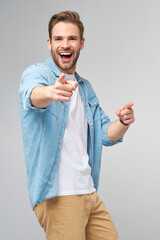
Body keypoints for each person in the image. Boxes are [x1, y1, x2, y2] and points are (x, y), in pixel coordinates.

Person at [19, 10, 135, 240]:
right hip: (60, 195)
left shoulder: (84, 88)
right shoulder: (37, 74)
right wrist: (51, 92)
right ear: (49, 43)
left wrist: (123, 122)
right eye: (59, 38)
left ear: (81, 43)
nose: (66, 44)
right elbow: (31, 96)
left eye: (72, 38)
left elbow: (105, 134)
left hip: (89, 191)